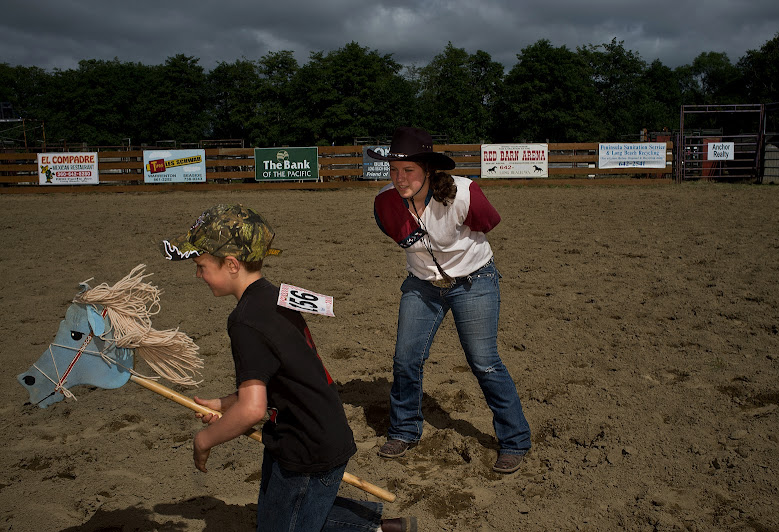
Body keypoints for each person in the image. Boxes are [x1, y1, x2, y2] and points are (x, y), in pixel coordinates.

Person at [160, 203, 416, 532]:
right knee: (285, 518)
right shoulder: (276, 296)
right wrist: (225, 404)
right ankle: (388, 528)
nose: (198, 274)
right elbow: (279, 377)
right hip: (319, 431)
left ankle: (373, 528)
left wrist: (204, 441)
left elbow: (252, 410)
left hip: (305, 450)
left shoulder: (244, 321)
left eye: (201, 266)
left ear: (232, 264)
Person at [369, 127, 532, 474]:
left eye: (408, 170)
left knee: (484, 362)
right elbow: (395, 233)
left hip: (474, 280)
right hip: (422, 284)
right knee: (405, 359)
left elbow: (489, 223)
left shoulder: (464, 194)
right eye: (394, 170)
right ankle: (403, 431)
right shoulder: (384, 204)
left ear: (428, 169)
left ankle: (515, 441)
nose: (399, 179)